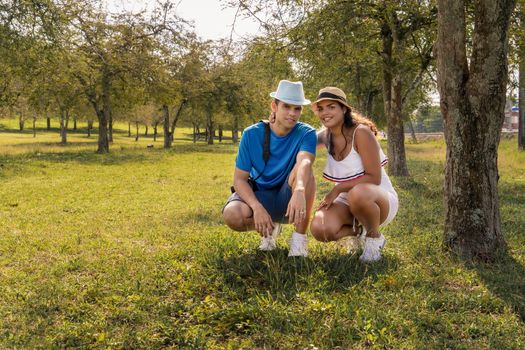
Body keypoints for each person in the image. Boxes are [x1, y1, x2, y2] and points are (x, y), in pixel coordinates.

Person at [222, 80, 317, 257]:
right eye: (287, 107)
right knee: (232, 214)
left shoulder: (307, 133)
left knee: (306, 172)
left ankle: (299, 241)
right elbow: (240, 179)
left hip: (288, 196)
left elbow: (304, 161)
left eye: (297, 108)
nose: (292, 113)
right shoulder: (251, 134)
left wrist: (299, 190)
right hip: (260, 195)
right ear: (274, 106)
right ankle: (269, 228)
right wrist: (256, 207)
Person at [309, 87, 398, 262]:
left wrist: (337, 189)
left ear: (344, 109)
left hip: (377, 199)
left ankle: (374, 238)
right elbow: (296, 141)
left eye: (331, 107)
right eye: (321, 108)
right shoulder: (325, 136)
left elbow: (374, 177)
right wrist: (273, 123)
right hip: (347, 200)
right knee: (321, 229)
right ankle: (359, 231)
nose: (325, 112)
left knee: (357, 192)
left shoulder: (361, 133)